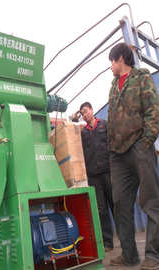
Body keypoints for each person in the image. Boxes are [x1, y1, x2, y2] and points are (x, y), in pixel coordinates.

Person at [108, 42, 159, 269]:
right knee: (120, 204)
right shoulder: (112, 86)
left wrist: (146, 141)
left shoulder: (141, 78)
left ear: (120, 59)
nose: (110, 66)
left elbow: (153, 110)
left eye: (112, 61)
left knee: (150, 201)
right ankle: (129, 255)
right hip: (118, 154)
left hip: (140, 147)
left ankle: (153, 255)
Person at [80, 102, 114, 252]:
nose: (84, 115)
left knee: (116, 204)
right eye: (82, 113)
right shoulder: (83, 133)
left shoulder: (104, 125)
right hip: (93, 175)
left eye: (86, 111)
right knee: (101, 210)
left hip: (108, 171)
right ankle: (108, 242)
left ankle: (127, 239)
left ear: (92, 110)